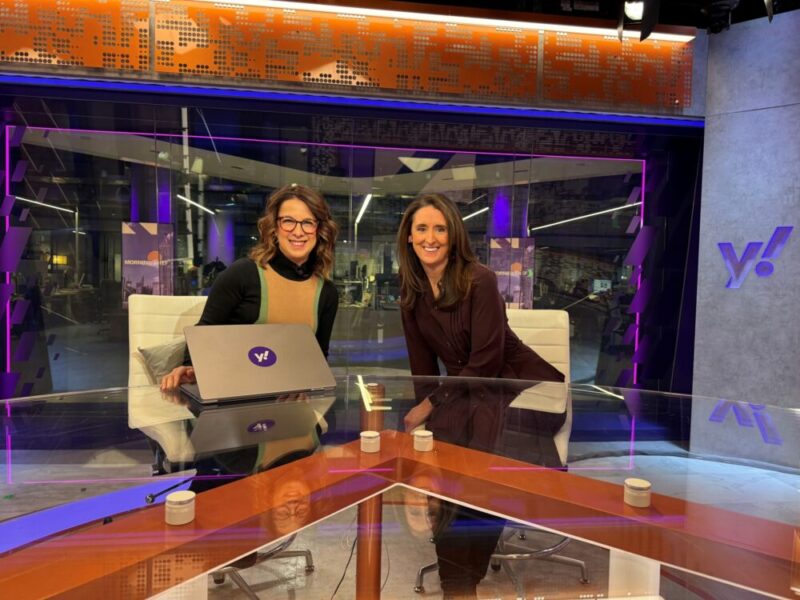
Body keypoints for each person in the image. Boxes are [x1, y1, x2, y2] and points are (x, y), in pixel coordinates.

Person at [396, 192, 565, 599]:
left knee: (472, 456)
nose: (431, 237)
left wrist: (431, 405)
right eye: (422, 228)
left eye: (440, 228)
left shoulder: (480, 279)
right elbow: (422, 370)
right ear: (409, 237)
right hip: (464, 392)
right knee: (442, 446)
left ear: (453, 237)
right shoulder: (413, 292)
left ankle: (460, 582)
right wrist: (427, 415)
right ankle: (461, 578)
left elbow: (487, 361)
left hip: (514, 388)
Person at [161, 183, 339, 392]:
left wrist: (305, 389)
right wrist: (189, 367)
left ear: (319, 230)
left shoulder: (327, 292)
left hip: (290, 400)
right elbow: (204, 333)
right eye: (288, 221)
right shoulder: (242, 274)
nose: (298, 231)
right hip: (232, 396)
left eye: (308, 222)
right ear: (274, 227)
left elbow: (318, 358)